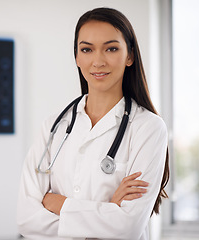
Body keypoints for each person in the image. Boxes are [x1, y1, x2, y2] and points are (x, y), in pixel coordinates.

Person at [17, 7, 169, 240]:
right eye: (87, 49)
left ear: (129, 56)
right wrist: (107, 210)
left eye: (111, 48)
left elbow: (127, 228)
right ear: (77, 57)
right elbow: (27, 220)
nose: (97, 61)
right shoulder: (54, 126)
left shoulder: (148, 128)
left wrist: (57, 203)